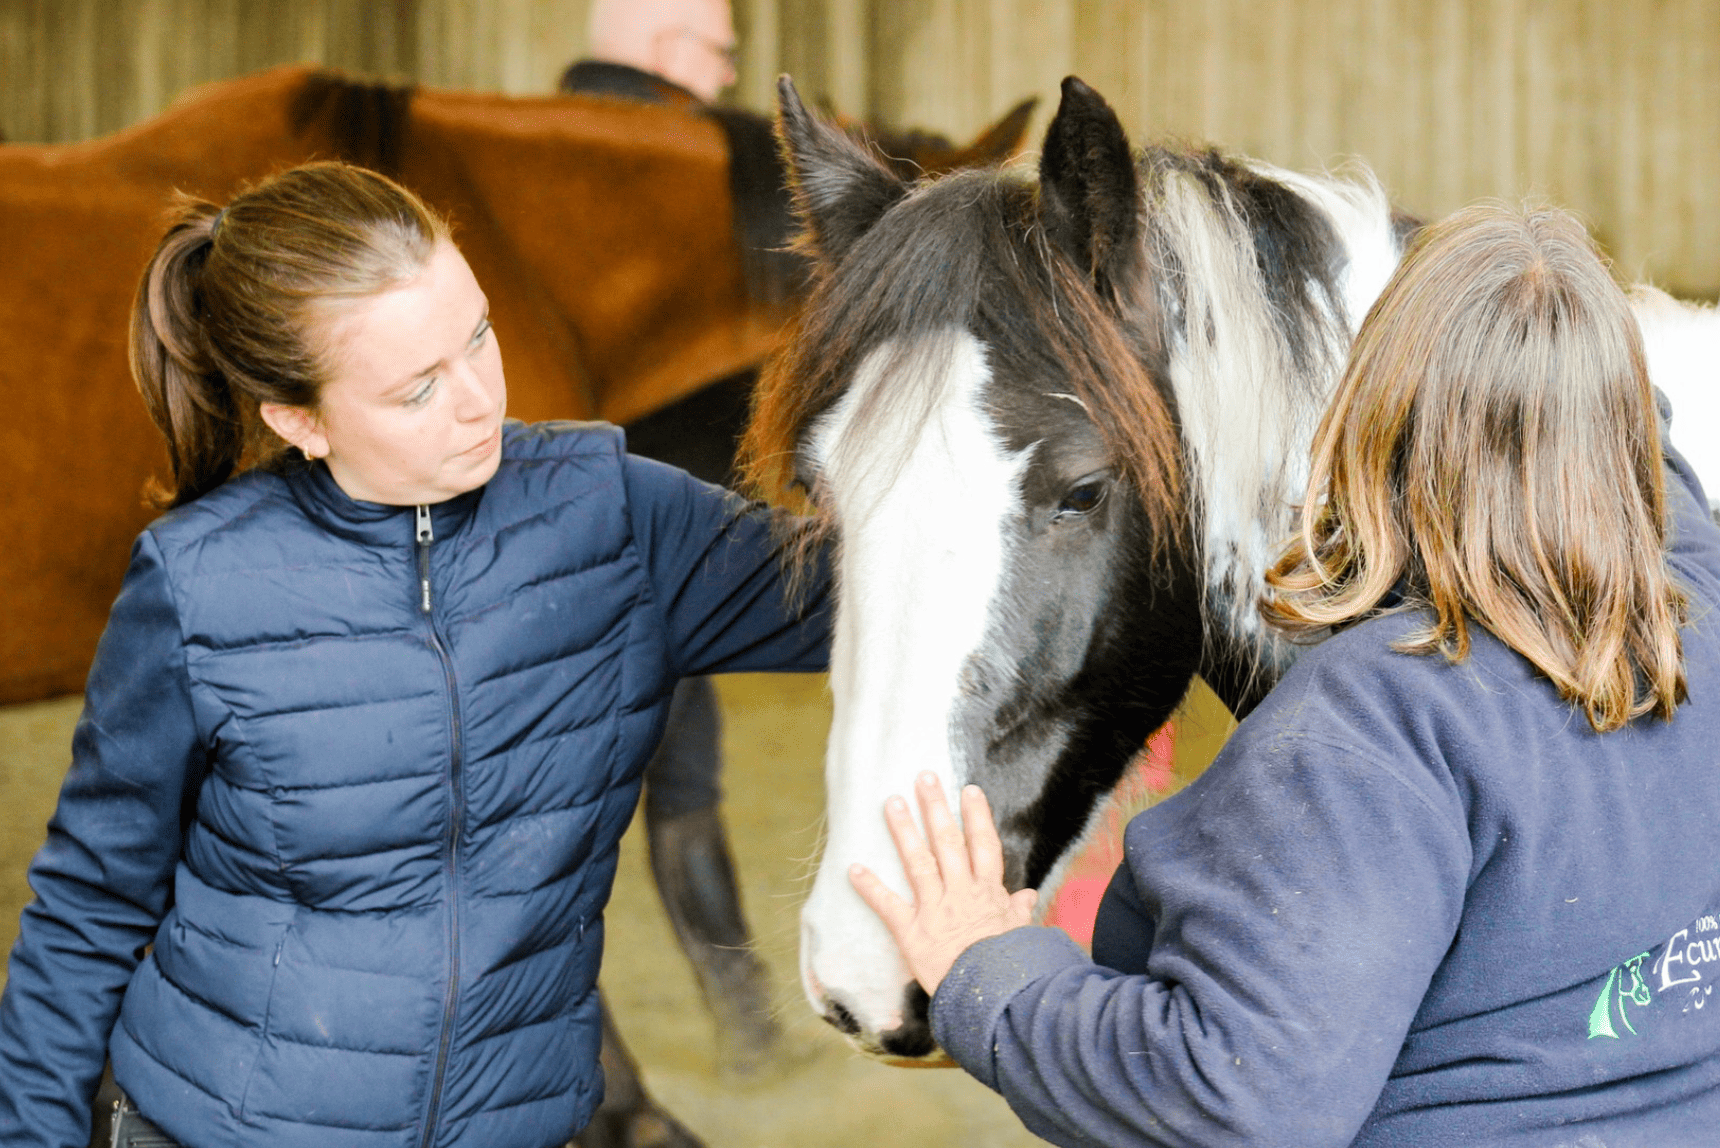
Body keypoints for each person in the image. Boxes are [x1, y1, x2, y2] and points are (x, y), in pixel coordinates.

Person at [851, 203, 1720, 1146]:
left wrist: (992, 972)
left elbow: (1227, 1100)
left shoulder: (1376, 729)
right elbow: (1645, 471)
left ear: (1376, 404)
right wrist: (1566, 356)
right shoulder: (1697, 604)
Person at [0, 161, 828, 1148]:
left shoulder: (615, 516)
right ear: (297, 420)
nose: (479, 400)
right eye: (416, 388)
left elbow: (904, 594)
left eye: (477, 333)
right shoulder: (197, 581)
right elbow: (88, 911)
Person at [562, 0, 792, 1100]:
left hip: (551, 532)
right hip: (668, 539)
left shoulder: (516, 163)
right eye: (719, 50)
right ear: (664, 49)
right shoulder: (705, 177)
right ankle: (736, 1026)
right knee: (679, 784)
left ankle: (717, 1033)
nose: (728, 70)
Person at [560, 0, 737, 107]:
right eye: (721, 52)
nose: (730, 78)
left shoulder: (543, 136)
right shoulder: (695, 159)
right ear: (668, 52)